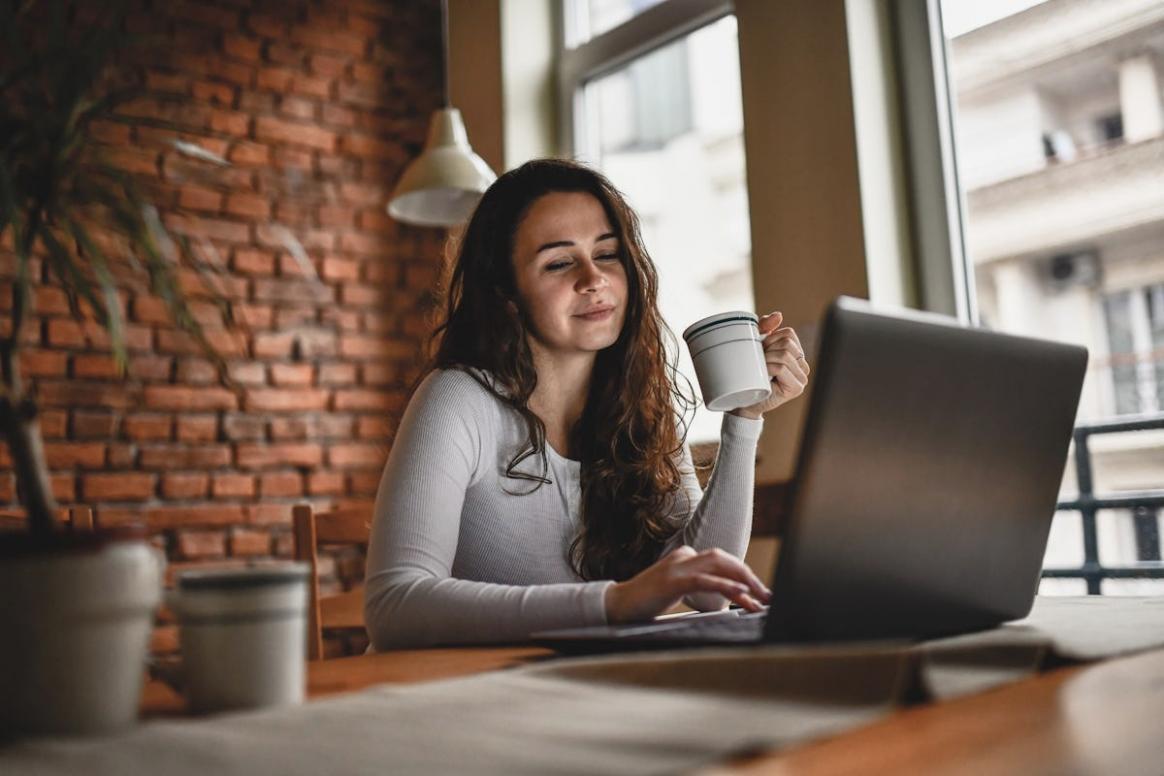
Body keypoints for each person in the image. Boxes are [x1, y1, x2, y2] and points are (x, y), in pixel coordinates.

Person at [364, 159, 810, 650]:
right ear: (506, 292)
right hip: (457, 700)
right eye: (559, 262)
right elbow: (394, 607)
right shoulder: (459, 398)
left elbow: (707, 594)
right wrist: (613, 603)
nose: (593, 278)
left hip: (576, 689)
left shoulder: (640, 403)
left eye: (608, 254)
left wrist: (744, 418)